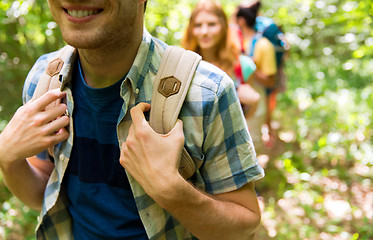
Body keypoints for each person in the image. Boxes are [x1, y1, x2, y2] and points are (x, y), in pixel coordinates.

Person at [0, 0, 264, 239]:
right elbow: (43, 192)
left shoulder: (206, 93)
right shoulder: (44, 80)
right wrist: (7, 159)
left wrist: (172, 192)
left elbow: (244, 225)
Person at [181, 0, 259, 119]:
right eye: (198, 25)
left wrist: (253, 103)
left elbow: (245, 119)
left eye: (212, 24)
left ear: (223, 26)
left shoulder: (243, 66)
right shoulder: (182, 64)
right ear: (190, 29)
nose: (204, 32)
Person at [235, 1, 278, 150]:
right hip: (234, 101)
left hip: (255, 102)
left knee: (251, 145)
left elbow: (271, 80)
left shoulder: (263, 45)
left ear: (241, 20)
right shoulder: (231, 43)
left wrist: (250, 68)